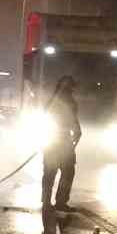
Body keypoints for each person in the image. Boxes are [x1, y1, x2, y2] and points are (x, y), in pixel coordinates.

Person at [42, 75, 82, 210]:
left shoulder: (51, 102)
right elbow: (74, 123)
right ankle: (60, 202)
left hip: (53, 142)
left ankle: (47, 201)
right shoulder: (70, 103)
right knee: (67, 172)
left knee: (50, 172)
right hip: (63, 143)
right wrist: (76, 133)